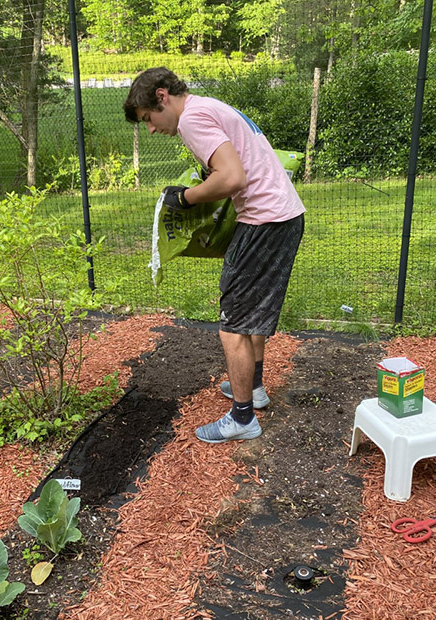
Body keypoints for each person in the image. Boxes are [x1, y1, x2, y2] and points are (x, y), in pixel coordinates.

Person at [124, 67, 305, 443]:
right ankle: (253, 390)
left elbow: (232, 178)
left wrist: (186, 198)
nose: (152, 129)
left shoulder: (192, 118)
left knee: (232, 324)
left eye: (148, 119)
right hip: (284, 216)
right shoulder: (208, 106)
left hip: (264, 221)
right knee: (249, 314)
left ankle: (242, 419)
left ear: (162, 97)